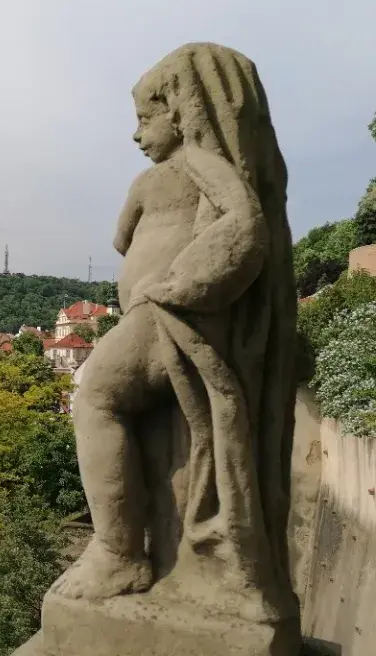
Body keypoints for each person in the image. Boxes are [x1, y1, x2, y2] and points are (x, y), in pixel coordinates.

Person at [54, 43, 299, 626]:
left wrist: (177, 284)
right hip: (156, 313)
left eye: (146, 117)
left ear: (182, 111)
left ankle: (119, 553)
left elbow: (243, 225)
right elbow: (123, 236)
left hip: (168, 315)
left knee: (96, 398)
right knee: (110, 407)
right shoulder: (157, 177)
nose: (136, 134)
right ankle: (130, 548)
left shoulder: (200, 164)